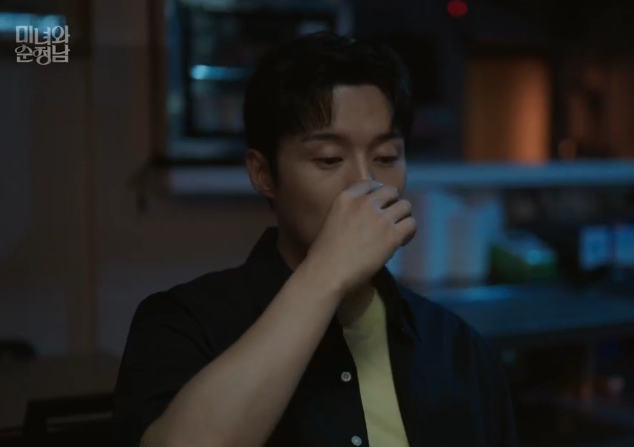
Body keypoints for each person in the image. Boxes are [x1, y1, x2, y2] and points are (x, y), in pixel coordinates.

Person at [112, 32, 518, 447]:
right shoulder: (183, 325)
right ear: (264, 174)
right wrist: (327, 272)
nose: (365, 184)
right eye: (329, 159)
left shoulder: (459, 350)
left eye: (386, 158)